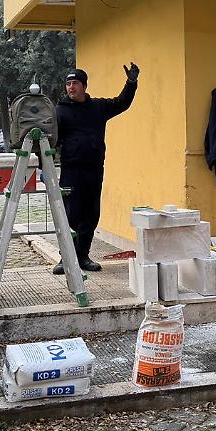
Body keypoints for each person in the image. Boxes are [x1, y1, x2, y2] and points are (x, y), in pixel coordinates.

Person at [53, 63, 140, 274]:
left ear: (84, 86)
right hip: (71, 171)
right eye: (68, 84)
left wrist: (131, 83)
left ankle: (83, 256)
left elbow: (121, 103)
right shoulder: (60, 111)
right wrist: (42, 168)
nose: (71, 87)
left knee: (90, 215)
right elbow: (51, 141)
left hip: (94, 170)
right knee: (70, 216)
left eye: (75, 83)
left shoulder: (98, 107)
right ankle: (66, 259)